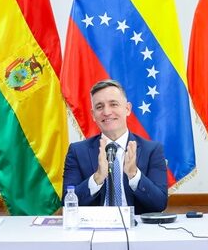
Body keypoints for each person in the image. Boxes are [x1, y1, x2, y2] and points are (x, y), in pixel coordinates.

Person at [62, 79, 168, 214]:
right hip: (94, 225)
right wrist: (97, 178)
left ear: (127, 109)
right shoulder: (77, 151)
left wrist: (134, 175)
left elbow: (160, 204)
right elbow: (67, 203)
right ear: (93, 115)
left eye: (113, 104)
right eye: (99, 107)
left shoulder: (152, 150)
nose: (106, 112)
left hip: (136, 226)